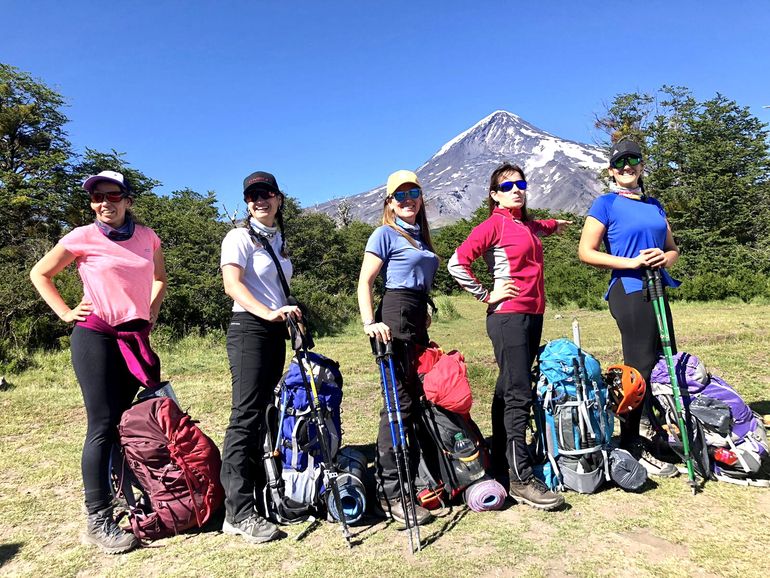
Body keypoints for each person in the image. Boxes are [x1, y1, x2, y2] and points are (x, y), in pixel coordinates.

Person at [30, 170, 167, 554]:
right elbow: (40, 273)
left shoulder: (147, 237)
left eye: (112, 195)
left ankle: (130, 497)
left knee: (127, 422)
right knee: (103, 424)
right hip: (95, 335)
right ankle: (97, 518)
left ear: (128, 200)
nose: (104, 203)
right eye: (96, 197)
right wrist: (64, 312)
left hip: (133, 337)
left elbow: (160, 278)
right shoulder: (81, 237)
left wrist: (151, 309)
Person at [448, 163, 570, 510]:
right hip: (509, 317)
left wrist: (554, 226)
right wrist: (487, 294)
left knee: (508, 386)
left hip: (532, 315)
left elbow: (537, 227)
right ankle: (520, 479)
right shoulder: (493, 225)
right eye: (507, 186)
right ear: (494, 194)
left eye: (521, 183)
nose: (516, 189)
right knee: (518, 393)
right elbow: (457, 263)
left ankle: (501, 459)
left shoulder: (524, 224)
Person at [578, 139, 681, 477]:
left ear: (641, 166)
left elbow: (672, 249)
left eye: (633, 161)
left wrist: (662, 258)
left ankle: (660, 433)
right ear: (612, 170)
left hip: (657, 286)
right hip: (629, 288)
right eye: (620, 163)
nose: (627, 167)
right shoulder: (605, 203)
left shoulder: (655, 205)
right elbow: (587, 251)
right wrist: (631, 261)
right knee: (640, 366)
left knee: (665, 358)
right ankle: (631, 442)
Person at [219, 171, 300, 543]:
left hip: (273, 332)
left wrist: (284, 312)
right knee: (245, 415)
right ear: (246, 202)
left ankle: (260, 493)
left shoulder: (278, 239)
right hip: (248, 330)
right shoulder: (238, 237)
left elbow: (274, 288)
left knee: (266, 412)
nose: (259, 200)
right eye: (252, 196)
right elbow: (232, 285)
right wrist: (267, 312)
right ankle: (237, 512)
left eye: (266, 193)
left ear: (279, 198)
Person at [357, 169, 439, 525]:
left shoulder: (421, 237)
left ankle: (418, 478)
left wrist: (428, 307)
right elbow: (365, 282)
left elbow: (420, 279)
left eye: (413, 194)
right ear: (389, 203)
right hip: (394, 318)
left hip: (417, 317)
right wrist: (369, 323)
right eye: (400, 196)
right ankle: (391, 493)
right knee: (397, 405)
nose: (408, 201)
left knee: (416, 400)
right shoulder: (384, 234)